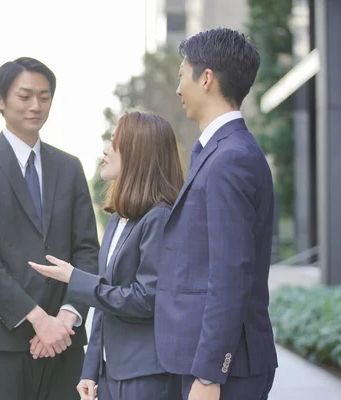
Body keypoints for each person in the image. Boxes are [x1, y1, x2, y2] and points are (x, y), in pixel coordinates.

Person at [0, 56, 100, 400]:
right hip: (2, 344)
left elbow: (87, 250)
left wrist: (65, 318)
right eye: (25, 96)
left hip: (66, 342)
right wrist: (37, 319)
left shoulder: (70, 166)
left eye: (45, 97)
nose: (36, 106)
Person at [154, 28, 278, 399]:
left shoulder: (230, 158)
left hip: (225, 370)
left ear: (206, 78)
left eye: (181, 76)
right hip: (211, 363)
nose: (178, 89)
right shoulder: (219, 151)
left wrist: (210, 375)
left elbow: (230, 275)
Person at [30, 111, 184, 400]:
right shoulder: (118, 218)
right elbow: (104, 304)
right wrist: (91, 370)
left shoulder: (159, 218)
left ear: (138, 152)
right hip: (111, 372)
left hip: (145, 377)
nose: (105, 149)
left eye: (115, 142)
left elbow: (145, 298)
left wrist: (76, 279)